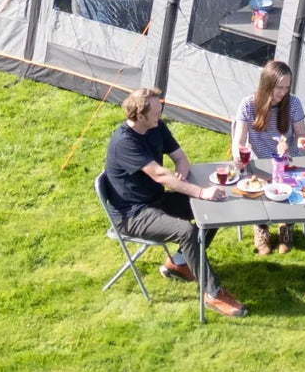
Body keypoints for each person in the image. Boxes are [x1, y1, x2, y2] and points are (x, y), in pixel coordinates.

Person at [103, 86, 247, 318]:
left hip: (155, 199)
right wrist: (200, 192)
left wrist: (181, 171)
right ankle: (213, 293)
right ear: (139, 116)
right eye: (156, 111)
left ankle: (179, 263)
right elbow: (161, 176)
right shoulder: (125, 142)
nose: (161, 113)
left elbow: (180, 157)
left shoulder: (156, 126)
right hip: (133, 214)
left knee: (211, 211)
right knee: (186, 230)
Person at [232, 60, 305, 256]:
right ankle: (261, 228)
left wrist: (302, 141)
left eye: (286, 87)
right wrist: (238, 156)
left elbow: (301, 133)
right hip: (260, 161)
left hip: (288, 159)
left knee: (293, 187)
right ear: (267, 85)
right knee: (254, 185)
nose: (283, 92)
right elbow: (239, 140)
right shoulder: (248, 105)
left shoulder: (293, 103)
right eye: (279, 87)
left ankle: (286, 226)